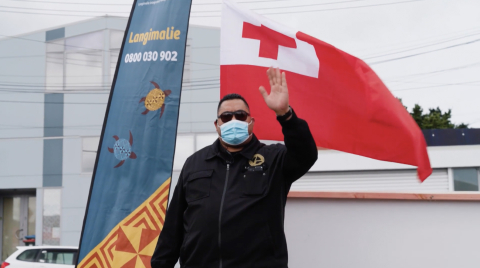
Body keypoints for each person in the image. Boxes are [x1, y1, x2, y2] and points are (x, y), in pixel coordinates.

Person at [151, 67, 318, 268]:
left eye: (240, 115)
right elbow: (173, 227)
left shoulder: (273, 159)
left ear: (251, 122)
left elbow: (306, 155)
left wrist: (285, 115)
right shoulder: (195, 163)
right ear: (216, 125)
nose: (233, 120)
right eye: (226, 117)